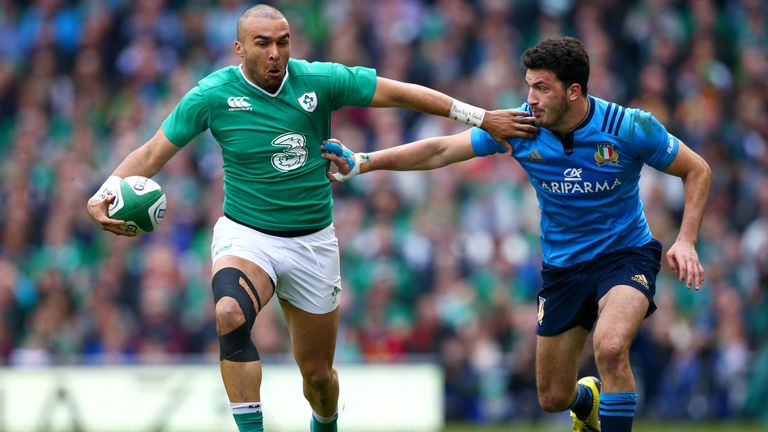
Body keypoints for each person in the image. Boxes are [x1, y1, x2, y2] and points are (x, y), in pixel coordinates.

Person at [85, 5, 537, 432]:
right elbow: (151, 153)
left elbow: (399, 93)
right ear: (239, 48)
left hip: (312, 243)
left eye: (283, 42)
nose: (275, 53)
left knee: (318, 379)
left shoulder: (320, 80)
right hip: (247, 235)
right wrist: (103, 194)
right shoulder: (211, 95)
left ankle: (326, 423)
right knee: (228, 314)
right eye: (262, 43)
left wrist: (480, 117)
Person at [322, 36, 711, 432]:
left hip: (625, 254)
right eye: (529, 85)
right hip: (564, 267)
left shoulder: (629, 127)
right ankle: (586, 399)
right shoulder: (520, 127)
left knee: (610, 347)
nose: (531, 97)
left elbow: (697, 169)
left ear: (573, 91)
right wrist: (365, 162)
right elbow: (440, 150)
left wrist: (686, 239)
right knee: (553, 397)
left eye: (542, 87)